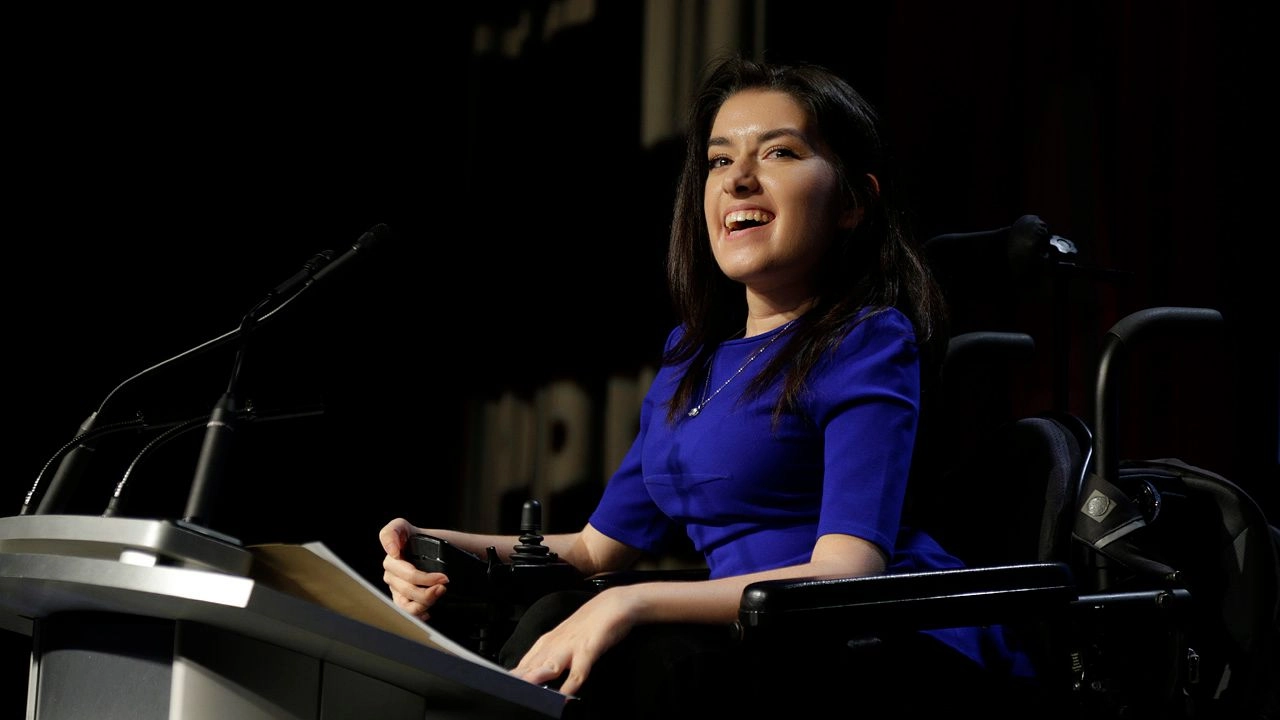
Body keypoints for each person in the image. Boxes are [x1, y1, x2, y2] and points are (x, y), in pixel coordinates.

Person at [380, 54, 1034, 717]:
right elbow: (591, 549)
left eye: (779, 153)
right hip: (757, 644)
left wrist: (630, 600)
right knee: (559, 611)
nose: (739, 180)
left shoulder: (865, 338)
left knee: (639, 656)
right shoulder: (689, 357)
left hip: (880, 643)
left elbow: (847, 570)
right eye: (720, 161)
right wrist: (435, 547)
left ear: (853, 202)